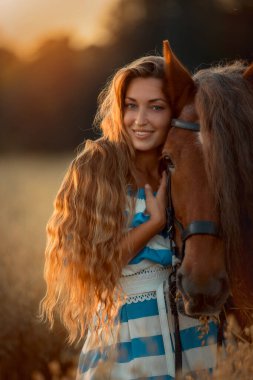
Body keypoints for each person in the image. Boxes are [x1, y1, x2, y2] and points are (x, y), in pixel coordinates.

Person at [41, 55, 219, 379]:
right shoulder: (96, 168)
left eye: (155, 107)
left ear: (174, 112)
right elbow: (90, 269)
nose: (140, 119)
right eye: (131, 106)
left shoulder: (188, 170)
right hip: (128, 340)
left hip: (193, 335)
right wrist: (151, 224)